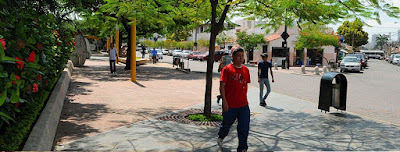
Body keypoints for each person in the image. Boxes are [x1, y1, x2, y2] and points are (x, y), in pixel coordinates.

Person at [218, 47, 251, 151]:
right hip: (230, 105)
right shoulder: (227, 69)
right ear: (233, 56)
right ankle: (221, 136)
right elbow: (222, 86)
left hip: (243, 105)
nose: (241, 58)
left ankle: (242, 148)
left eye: (242, 56)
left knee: (244, 128)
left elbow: (246, 85)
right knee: (226, 125)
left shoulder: (246, 70)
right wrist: (224, 101)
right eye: (238, 56)